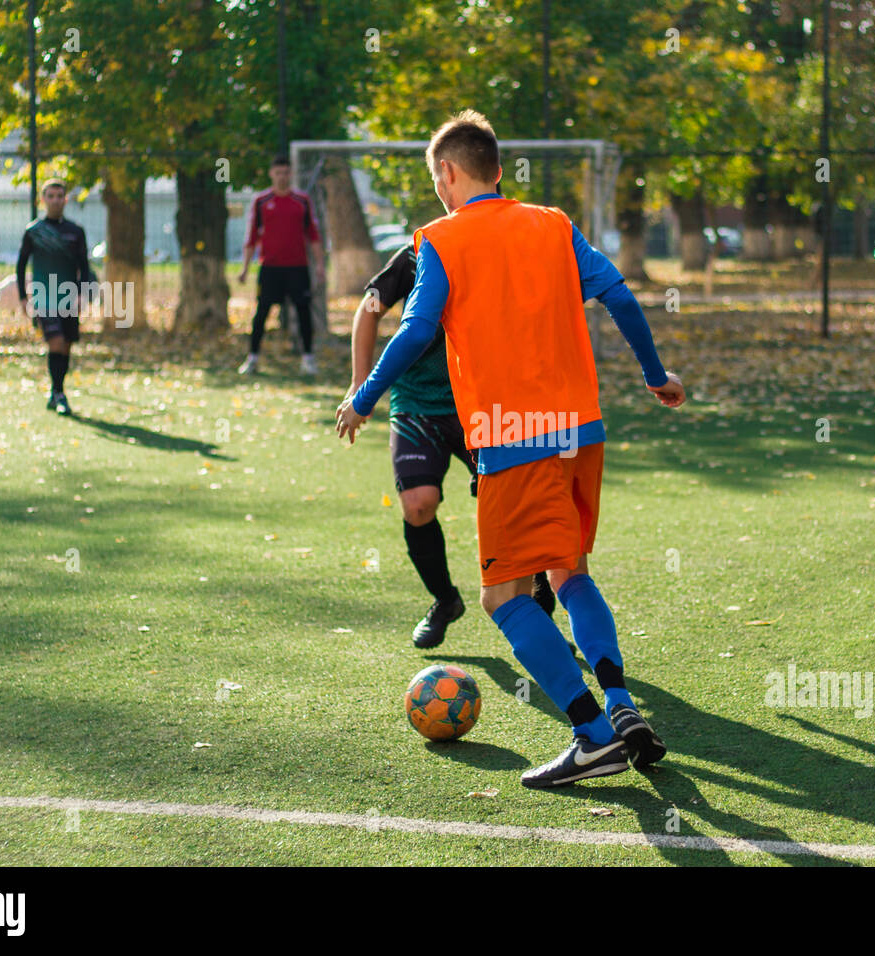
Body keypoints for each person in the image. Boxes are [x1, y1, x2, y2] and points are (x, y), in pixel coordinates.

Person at [336, 110, 685, 789]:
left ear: (449, 172)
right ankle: (620, 706)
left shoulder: (440, 238)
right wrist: (654, 376)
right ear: (498, 169)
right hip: (580, 431)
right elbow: (619, 295)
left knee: (502, 597)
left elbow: (414, 333)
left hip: (511, 437)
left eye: (435, 177)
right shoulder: (553, 224)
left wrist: (366, 393)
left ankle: (591, 736)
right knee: (569, 572)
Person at [345, 238, 557, 649]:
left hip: (482, 404)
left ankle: (539, 616)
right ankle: (445, 600)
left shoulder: (504, 250)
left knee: (511, 509)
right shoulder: (416, 254)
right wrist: (359, 386)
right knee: (418, 504)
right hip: (417, 402)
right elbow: (368, 309)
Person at [238, 156, 325, 376]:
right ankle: (253, 358)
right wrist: (245, 269)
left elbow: (313, 236)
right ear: (271, 174)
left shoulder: (302, 201)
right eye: (278, 172)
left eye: (286, 172)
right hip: (270, 268)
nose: (282, 177)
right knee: (261, 313)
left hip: (297, 268)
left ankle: (308, 359)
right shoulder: (261, 201)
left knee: (303, 312)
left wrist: (320, 267)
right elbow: (251, 238)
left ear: (291, 174)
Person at [16, 178, 95, 416]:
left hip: (69, 296)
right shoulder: (33, 231)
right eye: (50, 196)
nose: (55, 200)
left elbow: (84, 266)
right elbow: (21, 265)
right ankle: (59, 394)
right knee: (56, 342)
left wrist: (82, 294)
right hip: (44, 297)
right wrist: (23, 297)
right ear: (43, 199)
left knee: (67, 346)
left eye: (59, 196)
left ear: (66, 199)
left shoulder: (76, 231)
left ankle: (56, 391)